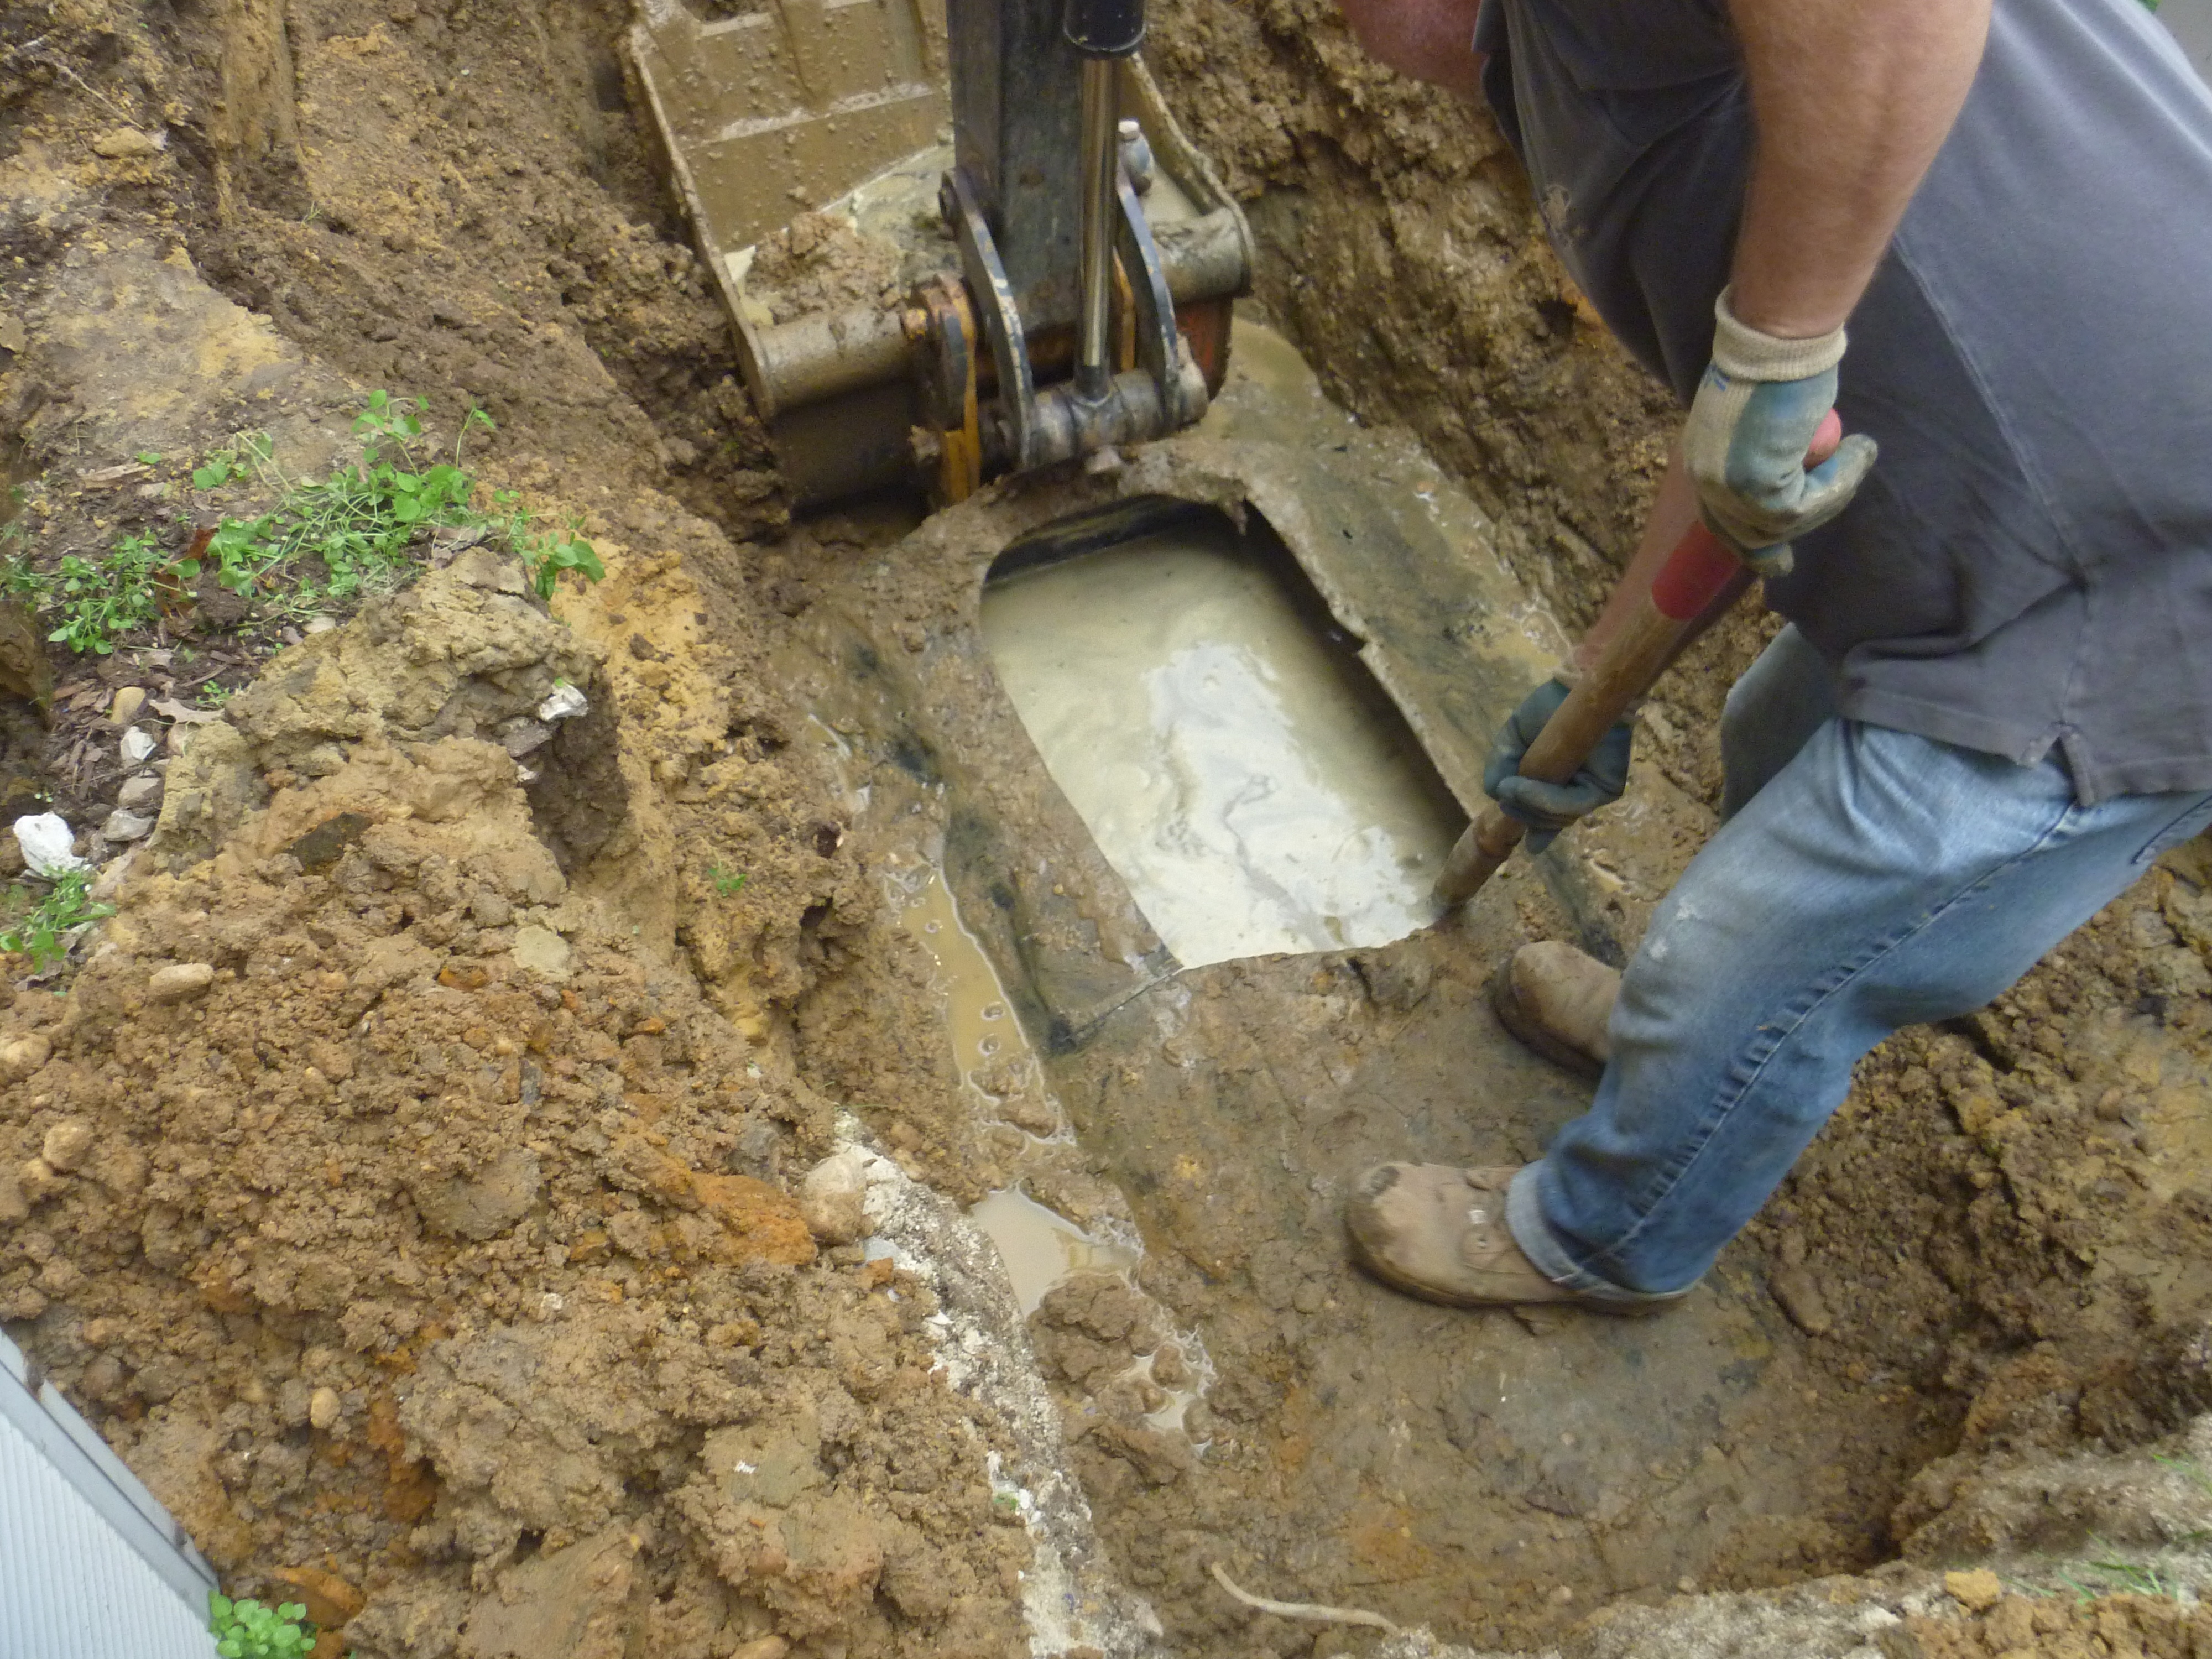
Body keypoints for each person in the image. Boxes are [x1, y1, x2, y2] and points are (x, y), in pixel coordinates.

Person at [1335, 0, 2212, 1311]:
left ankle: (1605, 1236)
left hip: (2151, 592)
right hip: (2018, 526)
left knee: (1752, 951)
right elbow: (1746, 424)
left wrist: (1773, 348)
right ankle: (1680, 1050)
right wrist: (1597, 669)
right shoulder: (1567, 50)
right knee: (1764, 743)